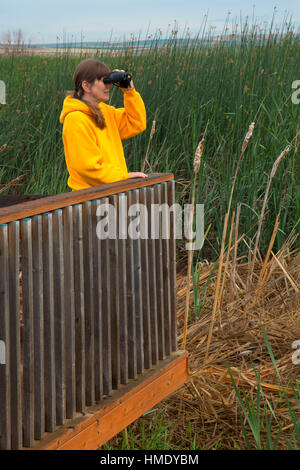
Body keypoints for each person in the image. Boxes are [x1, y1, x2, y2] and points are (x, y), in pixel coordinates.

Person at [59, 59, 148, 191]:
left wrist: (130, 92)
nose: (109, 86)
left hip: (110, 192)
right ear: (86, 86)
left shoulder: (106, 112)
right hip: (88, 199)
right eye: (103, 81)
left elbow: (136, 123)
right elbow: (87, 167)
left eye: (109, 80)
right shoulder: (75, 119)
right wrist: (123, 176)